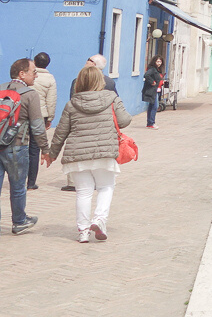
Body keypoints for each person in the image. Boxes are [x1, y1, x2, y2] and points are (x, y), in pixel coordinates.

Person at [45, 65, 132, 243]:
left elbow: (61, 131)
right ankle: (99, 219)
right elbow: (124, 121)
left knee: (83, 192)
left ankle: (83, 231)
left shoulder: (72, 104)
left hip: (78, 155)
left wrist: (51, 154)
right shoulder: (112, 98)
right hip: (104, 152)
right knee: (105, 187)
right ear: (100, 81)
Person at [1, 58, 49, 235]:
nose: (36, 75)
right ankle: (19, 221)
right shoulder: (30, 94)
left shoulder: (1, 88)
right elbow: (37, 126)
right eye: (33, 72)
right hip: (16, 146)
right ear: (22, 74)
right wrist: (45, 149)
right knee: (18, 186)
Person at [28, 52, 56, 191]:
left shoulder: (28, 75)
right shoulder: (50, 78)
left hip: (24, 114)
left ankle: (18, 179)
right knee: (34, 148)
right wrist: (50, 118)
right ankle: (31, 182)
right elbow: (51, 100)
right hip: (40, 115)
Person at [142, 56, 165, 129]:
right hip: (152, 91)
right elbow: (146, 75)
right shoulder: (152, 69)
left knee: (151, 106)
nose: (159, 63)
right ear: (154, 61)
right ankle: (151, 123)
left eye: (160, 62)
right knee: (155, 106)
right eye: (157, 61)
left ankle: (150, 123)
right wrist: (152, 82)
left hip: (157, 90)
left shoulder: (158, 70)